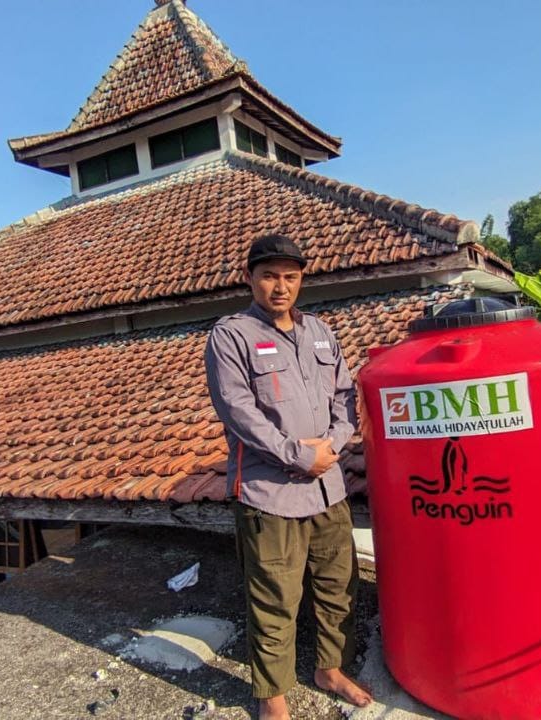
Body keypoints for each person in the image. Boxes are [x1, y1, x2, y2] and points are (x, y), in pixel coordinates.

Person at [204, 234, 373, 719]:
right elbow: (237, 410)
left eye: (291, 277)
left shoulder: (320, 332)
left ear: (301, 280)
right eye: (270, 276)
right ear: (251, 279)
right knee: (274, 600)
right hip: (269, 494)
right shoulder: (231, 335)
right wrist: (297, 454)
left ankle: (329, 669)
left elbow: (345, 396)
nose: (281, 286)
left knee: (338, 588)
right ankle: (271, 695)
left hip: (328, 489)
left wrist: (335, 445)